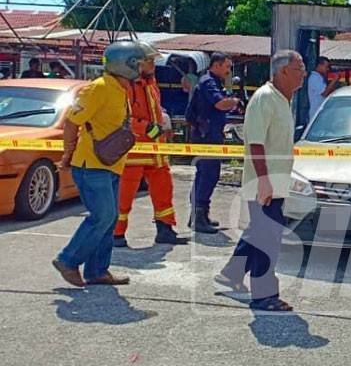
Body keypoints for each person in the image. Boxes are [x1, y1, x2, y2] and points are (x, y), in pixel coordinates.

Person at [214, 50, 305, 311]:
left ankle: (232, 273)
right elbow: (255, 144)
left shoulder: (282, 100)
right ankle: (264, 295)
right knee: (268, 238)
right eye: (299, 69)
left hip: (275, 183)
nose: (303, 75)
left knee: (259, 231)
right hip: (264, 184)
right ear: (283, 72)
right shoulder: (265, 98)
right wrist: (264, 181)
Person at [51, 41, 148, 287]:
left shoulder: (119, 88)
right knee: (102, 215)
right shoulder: (98, 88)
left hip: (110, 165)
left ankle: (97, 271)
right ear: (126, 65)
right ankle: (68, 260)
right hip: (91, 165)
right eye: (138, 62)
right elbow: (72, 123)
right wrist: (67, 156)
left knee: (110, 217)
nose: (144, 66)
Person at [113, 42, 187, 248]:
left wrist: (163, 125)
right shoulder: (124, 86)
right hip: (133, 151)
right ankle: (116, 234)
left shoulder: (151, 83)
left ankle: (165, 229)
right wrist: (149, 129)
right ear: (134, 63)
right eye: (149, 61)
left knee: (164, 190)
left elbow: (155, 111)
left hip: (156, 150)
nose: (153, 64)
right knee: (125, 194)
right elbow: (123, 119)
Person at [187, 52, 239, 233]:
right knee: (209, 174)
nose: (228, 71)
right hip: (205, 136)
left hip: (209, 134)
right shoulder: (208, 82)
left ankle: (198, 214)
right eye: (226, 67)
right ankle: (198, 217)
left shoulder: (212, 81)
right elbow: (220, 104)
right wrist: (233, 102)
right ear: (216, 65)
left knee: (205, 174)